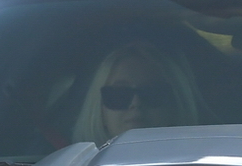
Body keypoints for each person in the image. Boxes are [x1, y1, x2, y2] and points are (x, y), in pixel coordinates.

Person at [70, 41, 201, 144]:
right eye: (119, 94)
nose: (136, 103)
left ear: (175, 106)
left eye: (152, 93)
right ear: (99, 111)